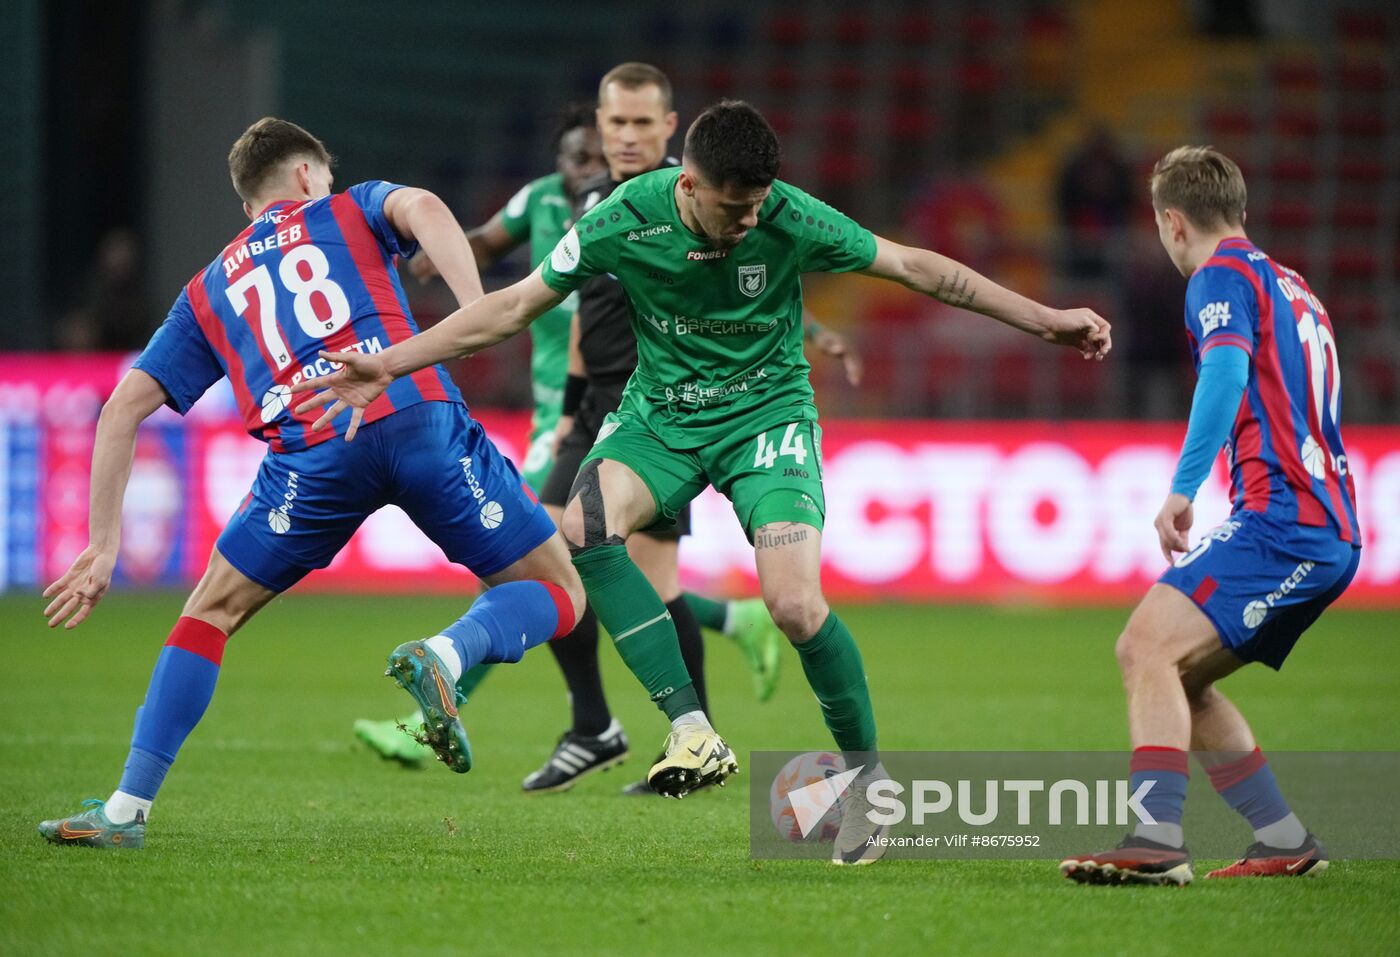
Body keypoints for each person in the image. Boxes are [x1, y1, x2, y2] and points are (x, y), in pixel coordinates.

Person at [295, 100, 1110, 864]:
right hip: (662, 420)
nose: (748, 220)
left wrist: (1047, 320)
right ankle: (691, 727)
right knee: (583, 528)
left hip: (768, 422)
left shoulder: (787, 213)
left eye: (756, 205)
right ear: (688, 184)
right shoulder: (620, 219)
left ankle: (866, 782)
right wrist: (389, 363)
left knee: (794, 605)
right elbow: (511, 307)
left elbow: (918, 268)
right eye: (732, 207)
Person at [37, 117, 584, 850]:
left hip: (311, 460)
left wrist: (102, 547)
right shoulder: (347, 205)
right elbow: (422, 206)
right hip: (412, 413)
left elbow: (122, 409)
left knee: (211, 611)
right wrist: (472, 301)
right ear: (303, 177)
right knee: (562, 591)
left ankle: (127, 808)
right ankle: (448, 654)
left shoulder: (208, 287)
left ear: (246, 205)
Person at [523, 64, 860, 797]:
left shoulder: (713, 188)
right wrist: (565, 412)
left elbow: (745, 291)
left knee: (657, 580)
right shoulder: (599, 206)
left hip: (700, 407)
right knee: (567, 546)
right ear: (598, 126)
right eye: (616, 123)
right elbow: (569, 312)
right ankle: (644, 724)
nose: (628, 136)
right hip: (621, 410)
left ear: (670, 129)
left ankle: (664, 722)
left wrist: (818, 330)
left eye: (644, 123)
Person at [1059, 147, 1359, 886]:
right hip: (1321, 519)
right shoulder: (1292, 285)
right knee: (1180, 677)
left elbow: (1225, 372)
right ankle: (1282, 837)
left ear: (1171, 222)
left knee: (1144, 646)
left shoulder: (1218, 276)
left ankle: (1156, 839)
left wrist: (1186, 485)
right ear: (1241, 212)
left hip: (1286, 522)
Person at [353, 101, 606, 764]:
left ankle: (442, 703)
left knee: (543, 562)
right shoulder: (542, 201)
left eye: (594, 156)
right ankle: (590, 718)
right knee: (558, 566)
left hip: (609, 410)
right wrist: (441, 252)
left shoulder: (631, 210)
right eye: (573, 156)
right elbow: (486, 241)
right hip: (555, 411)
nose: (584, 168)